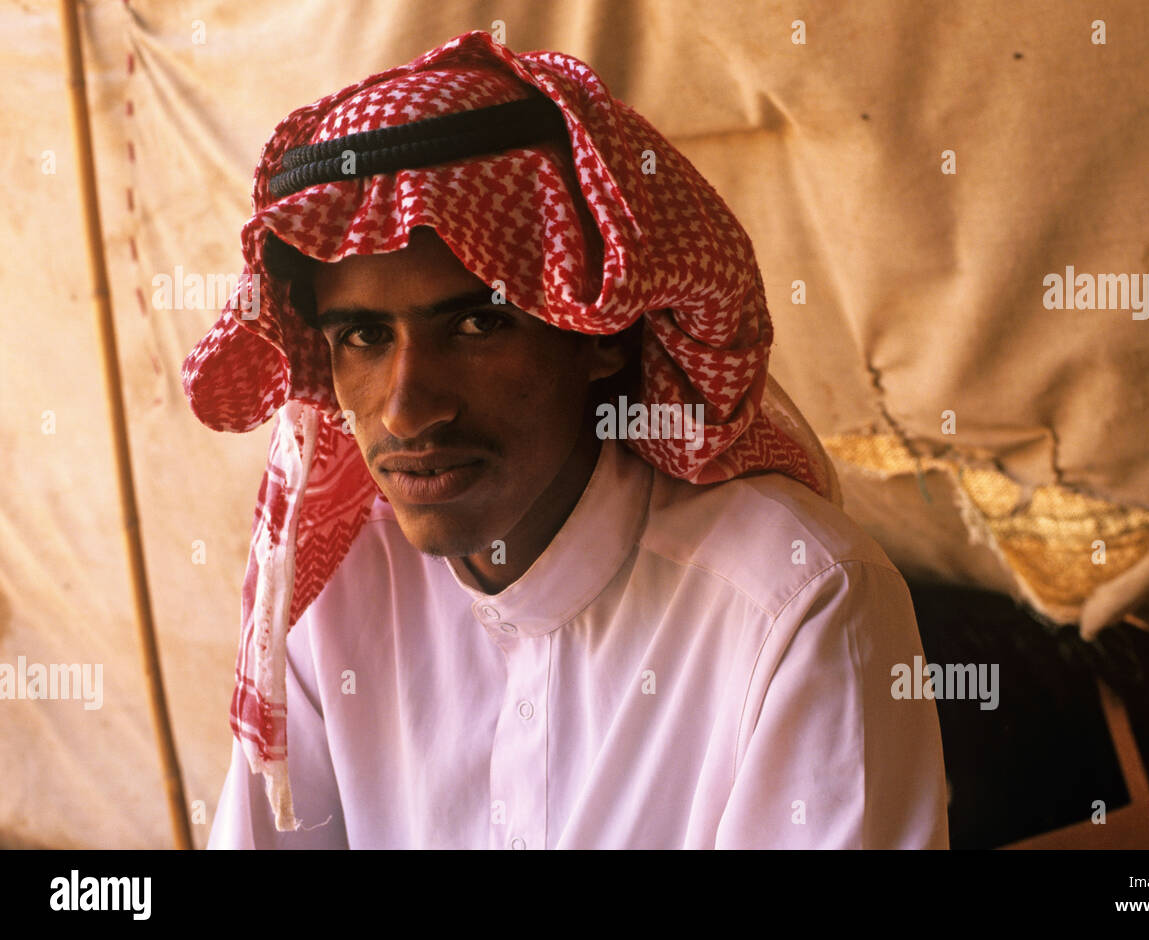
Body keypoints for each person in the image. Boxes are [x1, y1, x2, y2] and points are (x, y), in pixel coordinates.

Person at [188, 30, 949, 849]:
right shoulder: (335, 596)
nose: (407, 412)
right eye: (365, 338)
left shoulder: (795, 601)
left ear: (603, 336)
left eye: (478, 324)